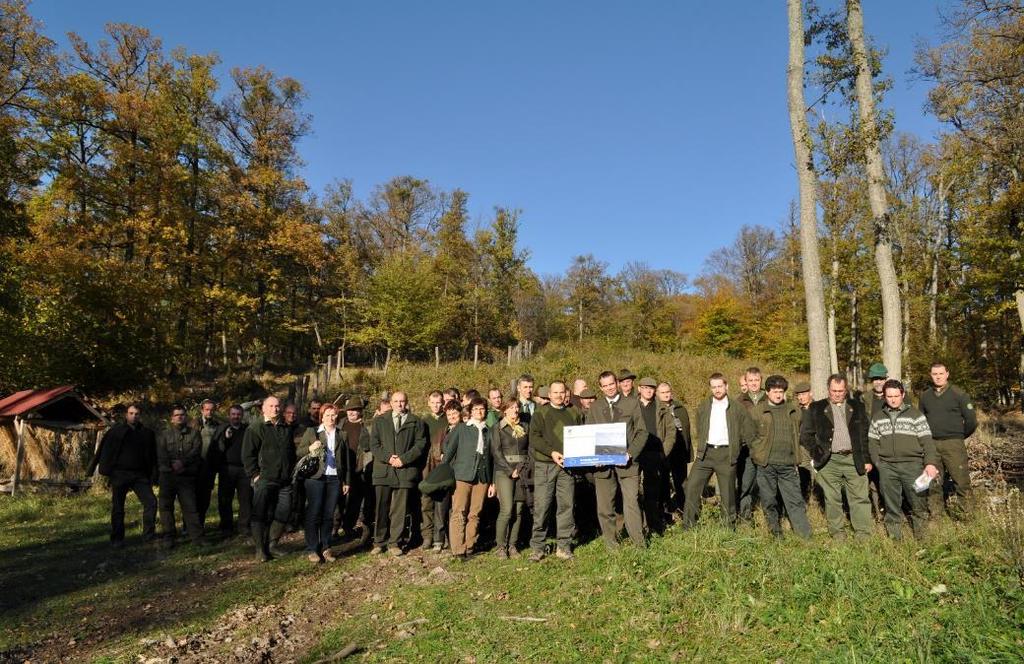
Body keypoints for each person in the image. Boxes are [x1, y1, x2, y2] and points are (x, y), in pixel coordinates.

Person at [800, 374, 873, 540]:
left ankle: (863, 534)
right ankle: (838, 533)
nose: (837, 394)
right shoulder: (816, 408)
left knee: (860, 497)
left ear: (846, 390)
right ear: (828, 390)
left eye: (841, 391)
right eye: (834, 391)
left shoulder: (858, 406)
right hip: (829, 461)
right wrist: (816, 453)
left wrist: (867, 459)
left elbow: (864, 435)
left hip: (854, 459)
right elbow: (805, 435)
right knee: (832, 499)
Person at [682, 374, 756, 529]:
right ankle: (689, 525)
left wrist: (736, 447)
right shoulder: (704, 406)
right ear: (711, 388)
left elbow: (748, 432)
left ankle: (728, 527)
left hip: (726, 454)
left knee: (727, 493)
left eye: (720, 386)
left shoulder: (737, 408)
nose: (717, 390)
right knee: (691, 486)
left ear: (726, 386)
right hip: (706, 453)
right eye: (714, 387)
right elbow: (699, 427)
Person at [868, 380, 940, 540]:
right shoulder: (878, 417)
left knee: (918, 503)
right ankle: (895, 540)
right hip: (887, 468)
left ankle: (923, 540)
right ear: (884, 397)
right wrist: (879, 464)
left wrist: (930, 463)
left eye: (896, 396)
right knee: (891, 506)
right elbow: (872, 443)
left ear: (903, 395)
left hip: (913, 466)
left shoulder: (916, 415)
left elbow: (927, 441)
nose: (893, 399)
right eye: (889, 396)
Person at [587, 371, 648, 548]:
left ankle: (639, 543)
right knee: (605, 508)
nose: (609, 388)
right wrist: (593, 456)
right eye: (604, 386)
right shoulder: (595, 407)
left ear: (617, 383)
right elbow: (589, 433)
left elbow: (642, 432)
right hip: (602, 467)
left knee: (631, 504)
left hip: (627, 464)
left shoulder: (632, 403)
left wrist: (630, 453)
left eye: (611, 384)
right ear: (600, 387)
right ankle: (611, 544)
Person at [749, 375, 811, 539]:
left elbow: (799, 432)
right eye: (775, 391)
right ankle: (776, 534)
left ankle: (804, 536)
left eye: (781, 391)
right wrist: (757, 454)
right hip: (766, 464)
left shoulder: (793, 411)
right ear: (767, 392)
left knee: (795, 501)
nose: (778, 395)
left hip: (788, 465)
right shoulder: (757, 411)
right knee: (769, 500)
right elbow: (750, 436)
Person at [528, 380, 583, 561]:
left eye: (562, 392)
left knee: (566, 506)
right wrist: (551, 452)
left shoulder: (574, 412)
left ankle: (564, 546)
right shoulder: (541, 413)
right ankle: (538, 547)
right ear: (549, 394)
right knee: (542, 506)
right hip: (546, 465)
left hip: (568, 467)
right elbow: (534, 437)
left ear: (566, 393)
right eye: (555, 392)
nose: (559, 396)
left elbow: (582, 436)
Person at [368, 391, 428, 556]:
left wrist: (404, 459)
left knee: (399, 510)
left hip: (405, 471)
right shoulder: (380, 421)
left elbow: (420, 445)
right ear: (391, 403)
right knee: (381, 507)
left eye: (402, 401)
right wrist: (388, 458)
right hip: (383, 471)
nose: (399, 404)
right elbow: (374, 444)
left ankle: (395, 542)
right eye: (396, 401)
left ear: (406, 402)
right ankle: (379, 542)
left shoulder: (416, 422)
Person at [88, 403, 157, 546]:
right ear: (126, 415)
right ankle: (117, 538)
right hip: (120, 474)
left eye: (136, 413)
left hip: (139, 475)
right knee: (118, 507)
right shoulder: (116, 431)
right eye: (131, 413)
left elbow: (152, 456)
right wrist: (103, 470)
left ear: (140, 415)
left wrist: (153, 475)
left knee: (151, 502)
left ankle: (148, 536)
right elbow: (103, 450)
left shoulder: (147, 433)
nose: (134, 416)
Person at [918, 362, 977, 519]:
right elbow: (921, 420)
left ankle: (968, 517)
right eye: (934, 374)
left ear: (947, 374)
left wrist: (959, 436)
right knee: (932, 481)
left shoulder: (959, 394)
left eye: (941, 373)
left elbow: (971, 420)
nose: (938, 377)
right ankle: (937, 517)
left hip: (954, 444)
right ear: (931, 375)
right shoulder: (925, 396)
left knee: (961, 481)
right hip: (932, 445)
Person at [242, 396, 296, 562]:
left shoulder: (285, 428)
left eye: (277, 406)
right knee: (259, 513)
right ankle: (260, 550)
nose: (275, 409)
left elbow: (291, 452)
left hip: (284, 480)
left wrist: (290, 472)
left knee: (284, 511)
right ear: (263, 408)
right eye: (271, 406)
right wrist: (255, 475)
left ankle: (272, 545)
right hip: (264, 479)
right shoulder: (255, 428)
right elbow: (247, 455)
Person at [443, 397, 495, 560]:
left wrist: (492, 481)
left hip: (482, 477)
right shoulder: (461, 428)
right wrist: (445, 474)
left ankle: (469, 546)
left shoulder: (489, 431)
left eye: (482, 409)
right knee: (459, 512)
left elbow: (492, 458)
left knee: (475, 513)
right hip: (462, 476)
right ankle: (458, 549)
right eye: (476, 409)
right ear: (470, 411)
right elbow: (449, 452)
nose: (479, 412)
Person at [298, 403, 350, 563]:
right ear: (322, 416)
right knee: (314, 513)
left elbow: (347, 460)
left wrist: (346, 481)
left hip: (334, 478)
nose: (331, 418)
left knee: (329, 515)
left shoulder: (342, 434)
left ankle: (326, 547)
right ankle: (312, 548)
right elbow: (298, 452)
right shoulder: (312, 432)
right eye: (327, 415)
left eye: (333, 415)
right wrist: (310, 448)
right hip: (315, 478)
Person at [156, 405, 204, 548]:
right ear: (172, 418)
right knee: (165, 507)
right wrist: (172, 464)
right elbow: (161, 453)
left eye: (182, 414)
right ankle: (169, 536)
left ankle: (197, 537)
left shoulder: (194, 433)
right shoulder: (164, 434)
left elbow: (196, 451)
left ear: (186, 416)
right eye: (177, 415)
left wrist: (182, 462)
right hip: (167, 475)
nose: (180, 417)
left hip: (186, 476)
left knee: (190, 507)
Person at [491, 398, 529, 558]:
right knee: (506, 510)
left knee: (519, 510)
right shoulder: (498, 428)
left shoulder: (525, 426)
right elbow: (496, 452)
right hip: (504, 471)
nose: (515, 410)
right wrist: (509, 470)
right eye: (511, 407)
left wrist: (520, 468)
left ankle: (513, 545)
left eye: (517, 407)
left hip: (521, 470)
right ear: (504, 410)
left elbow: (528, 449)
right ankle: (501, 546)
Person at [422, 400, 459, 552]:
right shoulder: (443, 431)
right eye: (449, 414)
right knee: (440, 505)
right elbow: (435, 451)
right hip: (444, 471)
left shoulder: (464, 429)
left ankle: (453, 539)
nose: (451, 416)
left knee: (454, 508)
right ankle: (438, 538)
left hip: (459, 472)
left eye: (454, 414)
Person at [214, 405, 251, 537]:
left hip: (244, 469)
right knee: (225, 499)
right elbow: (217, 448)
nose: (236, 417)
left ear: (242, 415)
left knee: (246, 500)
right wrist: (225, 438)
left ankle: (244, 526)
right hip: (227, 468)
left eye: (238, 414)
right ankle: (226, 527)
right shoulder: (222, 429)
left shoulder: (247, 430)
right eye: (233, 414)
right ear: (229, 415)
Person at [340, 397, 374, 544]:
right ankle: (339, 528)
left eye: (355, 410)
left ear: (361, 411)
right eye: (349, 410)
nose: (351, 413)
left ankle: (353, 527)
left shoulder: (367, 426)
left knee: (357, 499)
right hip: (342, 468)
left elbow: (368, 447)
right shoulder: (340, 425)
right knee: (340, 501)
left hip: (360, 468)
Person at [655, 382, 691, 517]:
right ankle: (665, 512)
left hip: (679, 451)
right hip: (663, 451)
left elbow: (687, 432)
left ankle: (686, 510)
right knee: (663, 482)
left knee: (682, 481)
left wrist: (688, 452)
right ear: (657, 394)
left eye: (668, 391)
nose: (666, 394)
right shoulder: (655, 409)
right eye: (663, 392)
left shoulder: (679, 408)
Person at [635, 376, 665, 535]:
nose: (648, 390)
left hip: (653, 453)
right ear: (639, 388)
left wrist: (663, 451)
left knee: (652, 492)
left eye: (651, 388)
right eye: (645, 387)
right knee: (633, 492)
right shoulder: (632, 405)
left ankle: (654, 526)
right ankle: (637, 526)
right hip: (635, 453)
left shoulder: (661, 407)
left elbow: (670, 432)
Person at [737, 367, 765, 523]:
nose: (754, 383)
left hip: (766, 449)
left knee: (767, 484)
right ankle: (746, 517)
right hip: (747, 450)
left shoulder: (769, 398)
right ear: (745, 382)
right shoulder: (739, 402)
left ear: (761, 381)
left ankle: (768, 515)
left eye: (756, 380)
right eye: (750, 380)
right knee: (746, 483)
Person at [194, 399, 223, 530]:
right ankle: (189, 526)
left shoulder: (217, 425)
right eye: (207, 409)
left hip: (209, 468)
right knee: (191, 498)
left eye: (212, 410)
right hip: (194, 466)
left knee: (205, 498)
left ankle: (200, 524)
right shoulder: (194, 424)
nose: (209, 412)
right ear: (202, 410)